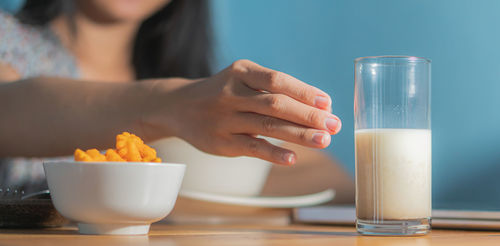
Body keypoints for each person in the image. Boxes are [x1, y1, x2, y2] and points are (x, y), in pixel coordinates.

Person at [0, 0, 354, 203]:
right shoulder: (9, 42)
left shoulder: (198, 96)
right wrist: (170, 106)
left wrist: (198, 194)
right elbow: (11, 107)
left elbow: (333, 179)